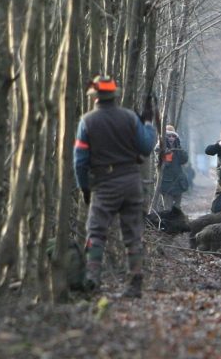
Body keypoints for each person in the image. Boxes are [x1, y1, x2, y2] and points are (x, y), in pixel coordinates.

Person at [73, 75, 156, 298]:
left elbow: (80, 161)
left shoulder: (87, 121)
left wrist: (85, 188)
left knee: (96, 232)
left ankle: (92, 281)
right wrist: (149, 124)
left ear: (94, 98)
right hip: (131, 180)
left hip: (104, 183)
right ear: (113, 96)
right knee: (133, 234)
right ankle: (135, 283)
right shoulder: (130, 118)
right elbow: (147, 147)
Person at [158, 124, 189, 209]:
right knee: (168, 209)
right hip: (166, 184)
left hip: (178, 183)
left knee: (177, 208)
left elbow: (184, 160)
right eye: (169, 136)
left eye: (173, 136)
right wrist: (165, 154)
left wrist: (178, 148)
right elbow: (160, 164)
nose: (171, 138)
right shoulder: (159, 148)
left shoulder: (178, 148)